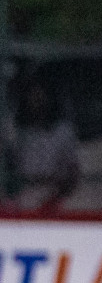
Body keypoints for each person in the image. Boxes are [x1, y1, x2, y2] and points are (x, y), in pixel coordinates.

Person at [7, 82, 79, 212]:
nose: (37, 103)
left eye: (41, 98)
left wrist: (59, 195)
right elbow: (10, 167)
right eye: (32, 98)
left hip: (55, 194)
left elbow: (73, 170)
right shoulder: (16, 132)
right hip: (23, 194)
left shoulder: (63, 132)